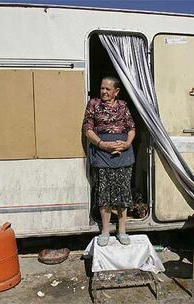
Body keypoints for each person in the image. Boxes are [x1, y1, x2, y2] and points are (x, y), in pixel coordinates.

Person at [83, 76, 136, 247]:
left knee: (123, 192)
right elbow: (87, 129)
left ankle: (122, 230)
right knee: (104, 192)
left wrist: (127, 143)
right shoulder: (93, 104)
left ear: (116, 92)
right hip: (102, 152)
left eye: (107, 89)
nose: (104, 92)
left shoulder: (123, 106)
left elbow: (132, 128)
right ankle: (105, 231)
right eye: (102, 88)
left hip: (123, 153)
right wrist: (102, 144)